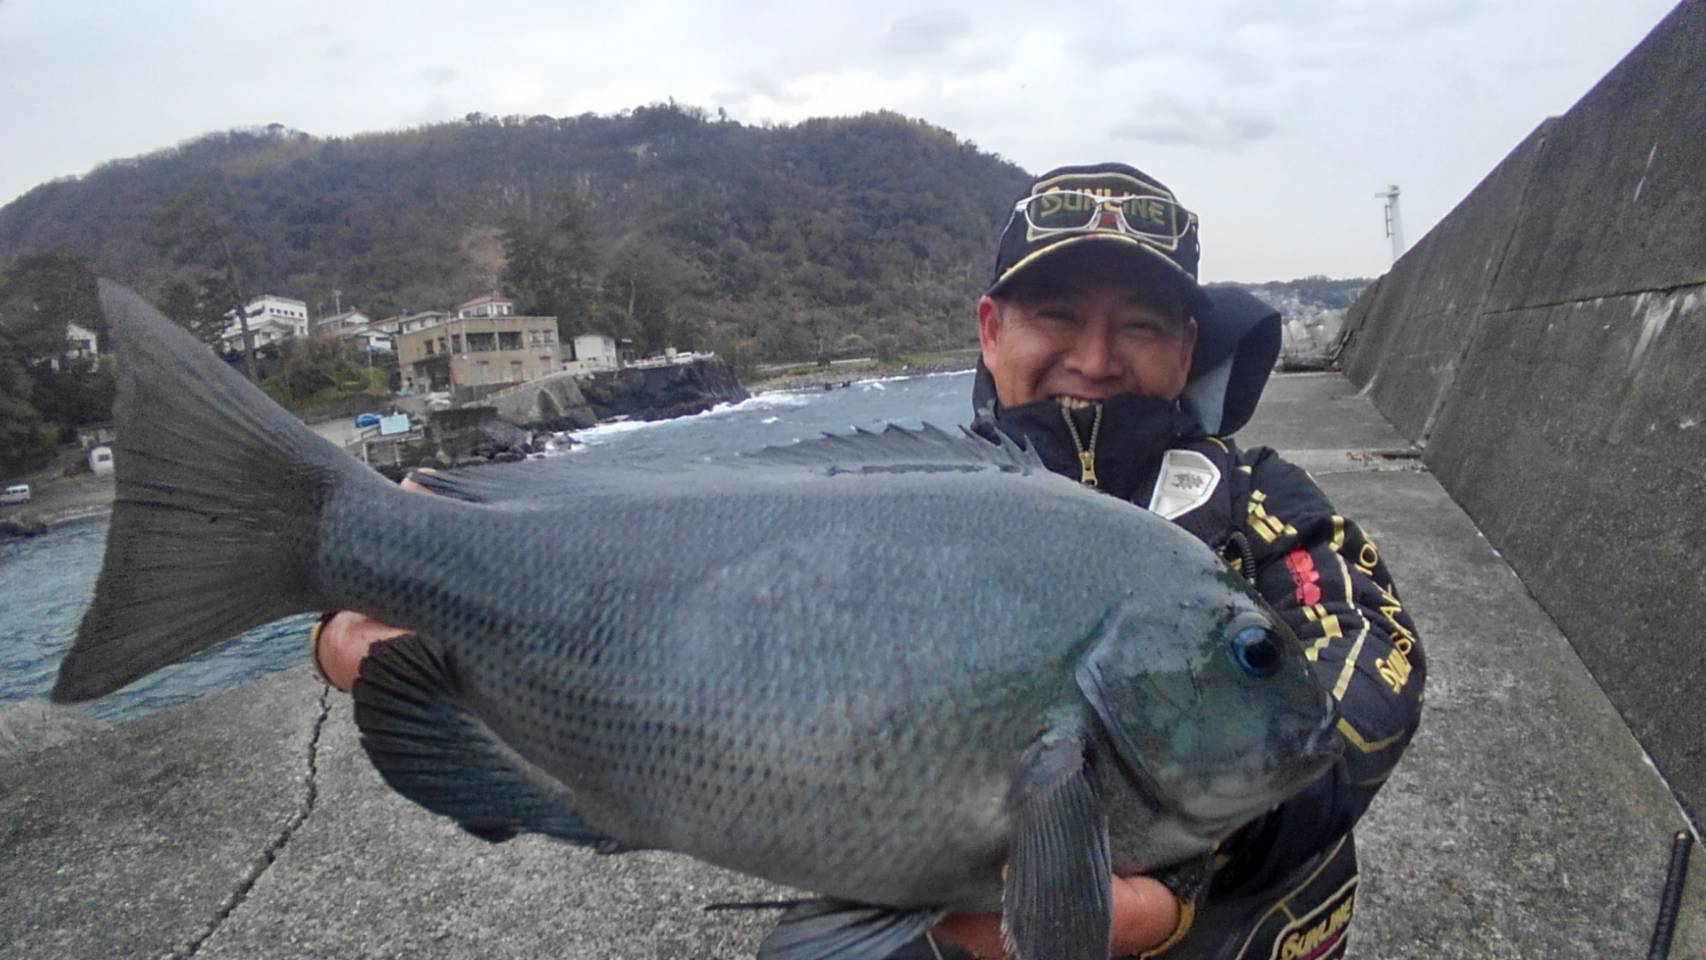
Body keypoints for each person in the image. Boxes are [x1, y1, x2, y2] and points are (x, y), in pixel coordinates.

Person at [312, 161, 1425, 959]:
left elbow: (1362, 688)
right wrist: (470, 679)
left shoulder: (1265, 510)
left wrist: (1172, 890)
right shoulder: (890, 500)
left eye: (1139, 324)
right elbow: (663, 734)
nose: (1094, 356)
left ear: (1185, 349)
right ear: (989, 329)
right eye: (1055, 313)